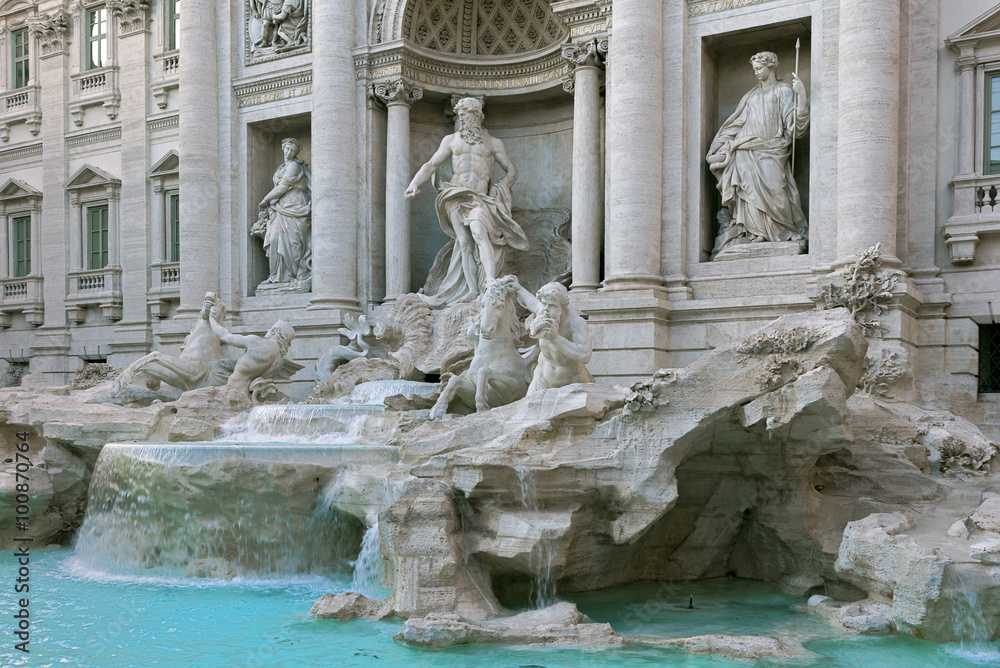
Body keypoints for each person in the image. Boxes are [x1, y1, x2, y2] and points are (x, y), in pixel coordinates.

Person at [405, 97, 528, 307]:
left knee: (479, 233)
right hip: (454, 195)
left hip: (479, 198)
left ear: (479, 116)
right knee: (463, 243)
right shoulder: (450, 140)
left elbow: (512, 170)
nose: (466, 119)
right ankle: (472, 290)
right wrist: (414, 184)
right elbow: (431, 164)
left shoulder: (493, 143)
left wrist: (500, 188)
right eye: (462, 115)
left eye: (470, 115)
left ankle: (490, 281)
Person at [707, 51, 809, 255]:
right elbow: (735, 124)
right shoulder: (751, 95)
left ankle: (782, 231)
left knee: (777, 189)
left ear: (771, 67)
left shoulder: (783, 91)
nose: (756, 73)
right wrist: (717, 147)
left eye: (759, 68)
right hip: (745, 150)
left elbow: (795, 127)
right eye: (754, 69)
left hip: (772, 149)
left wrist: (802, 96)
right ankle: (753, 233)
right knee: (748, 191)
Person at [512, 279, 593, 393]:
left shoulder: (575, 322)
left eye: (552, 305)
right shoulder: (544, 310)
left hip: (571, 382)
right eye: (544, 303)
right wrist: (517, 287)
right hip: (541, 377)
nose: (545, 309)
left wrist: (556, 338)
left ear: (563, 307)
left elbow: (585, 355)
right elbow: (531, 302)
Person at [252, 137, 311, 288]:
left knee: (293, 241)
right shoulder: (280, 168)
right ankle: (276, 275)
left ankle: (291, 274)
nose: (289, 152)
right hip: (280, 206)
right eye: (287, 149)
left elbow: (283, 187)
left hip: (295, 204)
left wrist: (265, 200)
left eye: (293, 150)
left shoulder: (294, 166)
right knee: (274, 237)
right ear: (283, 148)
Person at [208, 306, 295, 397]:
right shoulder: (279, 362)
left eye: (271, 328)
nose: (268, 330)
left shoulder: (257, 342)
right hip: (249, 398)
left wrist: (212, 319)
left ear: (275, 331)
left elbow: (225, 336)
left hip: (232, 392)